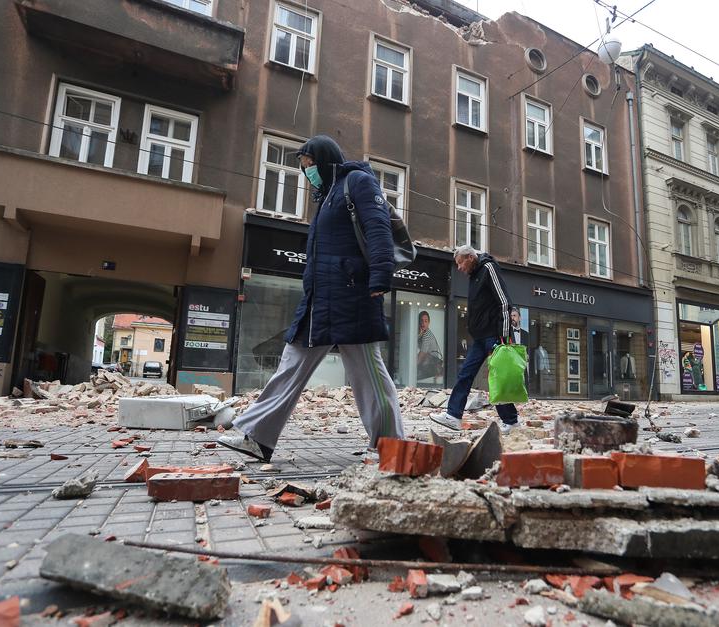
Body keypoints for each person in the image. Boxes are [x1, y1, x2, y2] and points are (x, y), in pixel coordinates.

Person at [219, 135, 404, 461]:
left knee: (368, 374)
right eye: (304, 168)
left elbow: (378, 229)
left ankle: (391, 447)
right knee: (291, 365)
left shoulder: (357, 182)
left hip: (352, 296)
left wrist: (380, 276)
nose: (308, 173)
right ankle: (257, 436)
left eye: (310, 165)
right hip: (320, 300)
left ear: (326, 159)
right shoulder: (327, 197)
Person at [430, 246, 520, 434]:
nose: (459, 268)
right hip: (480, 338)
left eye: (461, 263)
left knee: (498, 379)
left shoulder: (488, 268)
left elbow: (504, 302)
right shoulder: (474, 275)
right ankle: (453, 416)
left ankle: (511, 422)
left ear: (470, 257)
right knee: (465, 374)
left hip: (495, 336)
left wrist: (504, 337)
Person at [417, 311, 443, 381]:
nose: (423, 323)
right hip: (427, 365)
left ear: (429, 323)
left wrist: (411, 367)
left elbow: (422, 355)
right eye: (421, 321)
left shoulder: (427, 335)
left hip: (431, 367)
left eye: (426, 321)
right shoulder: (422, 333)